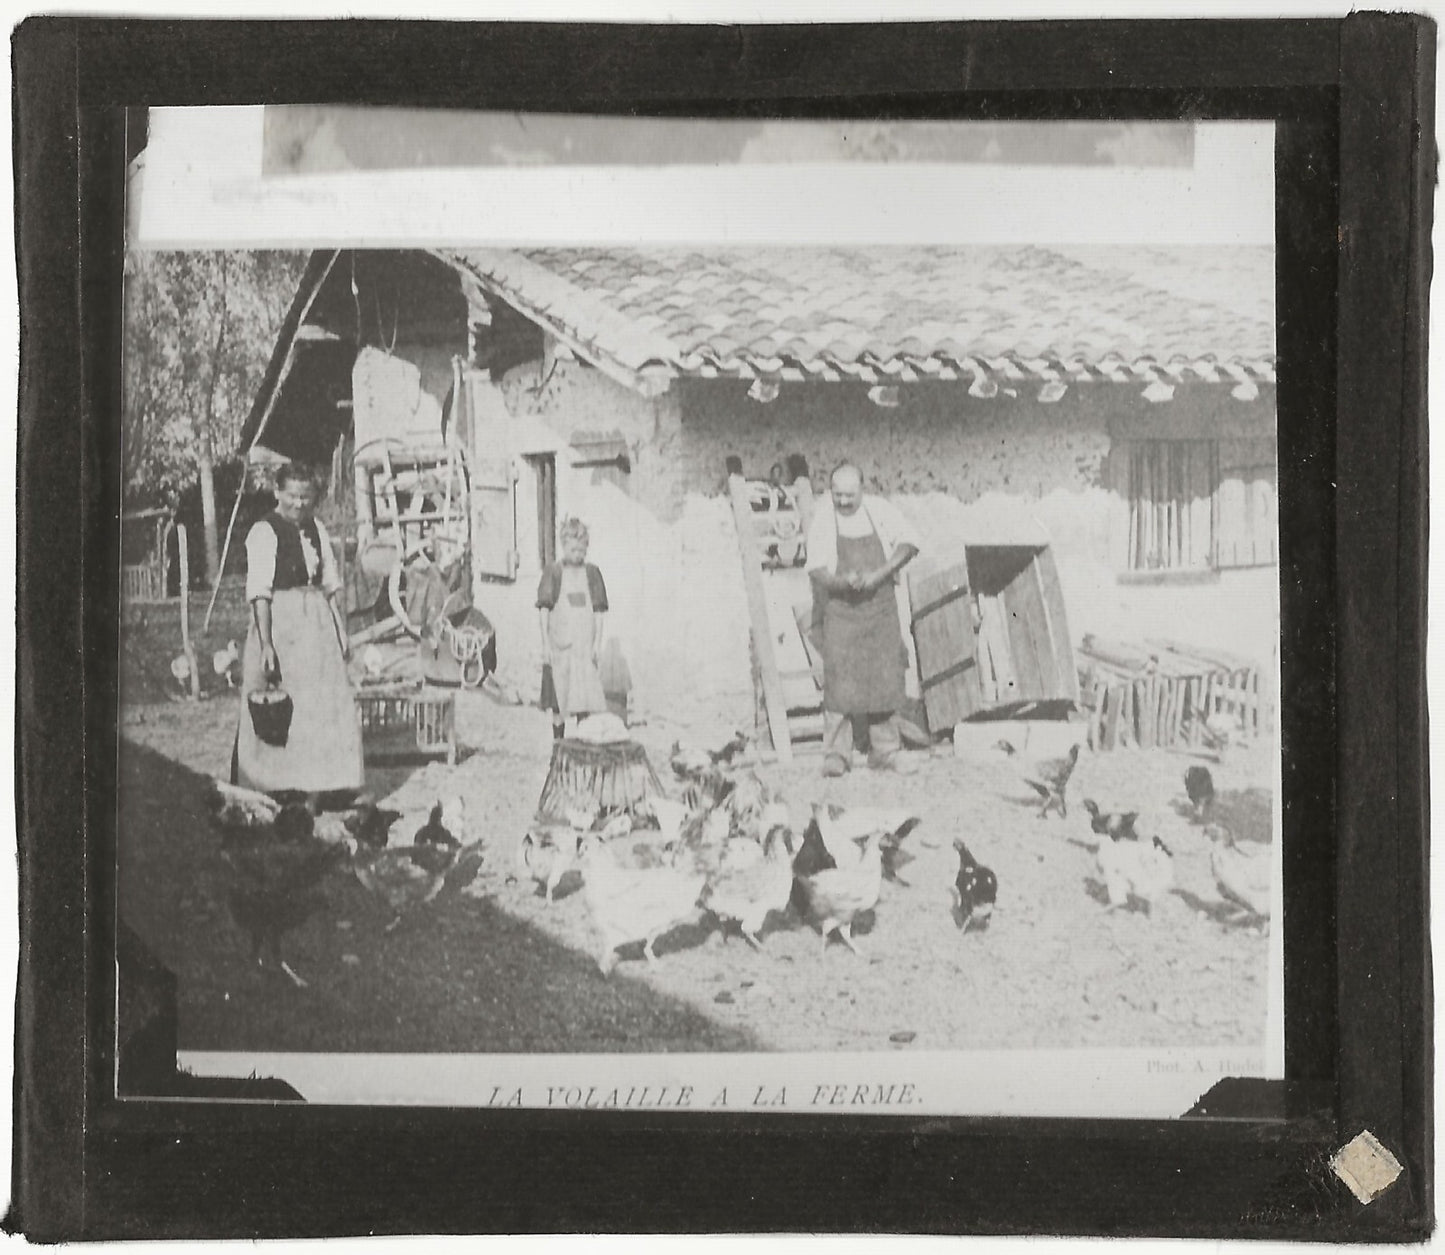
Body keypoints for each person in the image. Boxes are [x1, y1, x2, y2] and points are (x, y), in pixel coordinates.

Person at [233, 462, 363, 797]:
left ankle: (318, 786)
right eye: (293, 496)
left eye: (306, 497)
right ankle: (272, 785)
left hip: (317, 628)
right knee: (282, 709)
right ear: (278, 493)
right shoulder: (264, 531)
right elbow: (259, 593)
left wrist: (340, 629)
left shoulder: (316, 528)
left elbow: (331, 585)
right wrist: (266, 644)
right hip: (282, 625)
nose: (300, 504)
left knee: (319, 707)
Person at [804, 461, 921, 777]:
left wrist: (878, 575)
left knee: (884, 677)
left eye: (849, 495)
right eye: (837, 495)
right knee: (840, 679)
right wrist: (843, 582)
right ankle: (837, 755)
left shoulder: (880, 510)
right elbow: (816, 568)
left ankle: (885, 751)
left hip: (880, 609)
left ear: (862, 489)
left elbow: (910, 544)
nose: (842, 502)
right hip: (842, 610)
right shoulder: (824, 518)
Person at [536, 516, 609, 740]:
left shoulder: (593, 574)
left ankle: (581, 744)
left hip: (584, 650)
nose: (578, 554)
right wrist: (545, 644)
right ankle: (558, 745)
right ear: (564, 545)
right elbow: (544, 610)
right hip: (561, 650)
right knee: (560, 700)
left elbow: (599, 610)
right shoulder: (554, 573)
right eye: (574, 550)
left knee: (583, 699)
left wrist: (597, 644)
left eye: (582, 550)